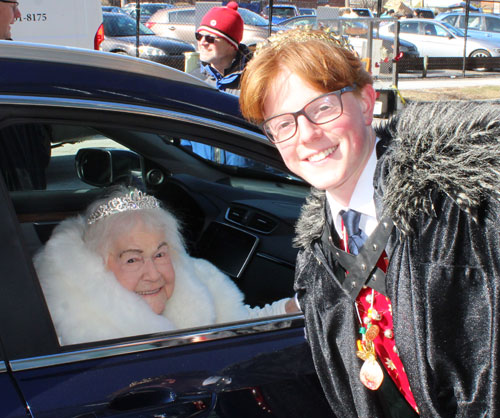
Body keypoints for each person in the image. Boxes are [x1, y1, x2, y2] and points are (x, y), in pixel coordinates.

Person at [239, 28, 500, 417]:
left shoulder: (461, 214)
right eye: (283, 123)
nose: (307, 135)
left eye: (323, 108)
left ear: (365, 102)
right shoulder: (318, 256)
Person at [34, 188, 299, 346]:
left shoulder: (194, 278)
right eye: (132, 259)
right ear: (99, 266)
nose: (154, 274)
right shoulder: (74, 332)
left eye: (160, 254)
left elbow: (242, 323)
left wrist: (295, 307)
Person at [190, 1, 252, 96]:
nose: (202, 42)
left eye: (210, 38)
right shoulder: (194, 79)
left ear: (231, 45)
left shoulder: (253, 82)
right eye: (198, 36)